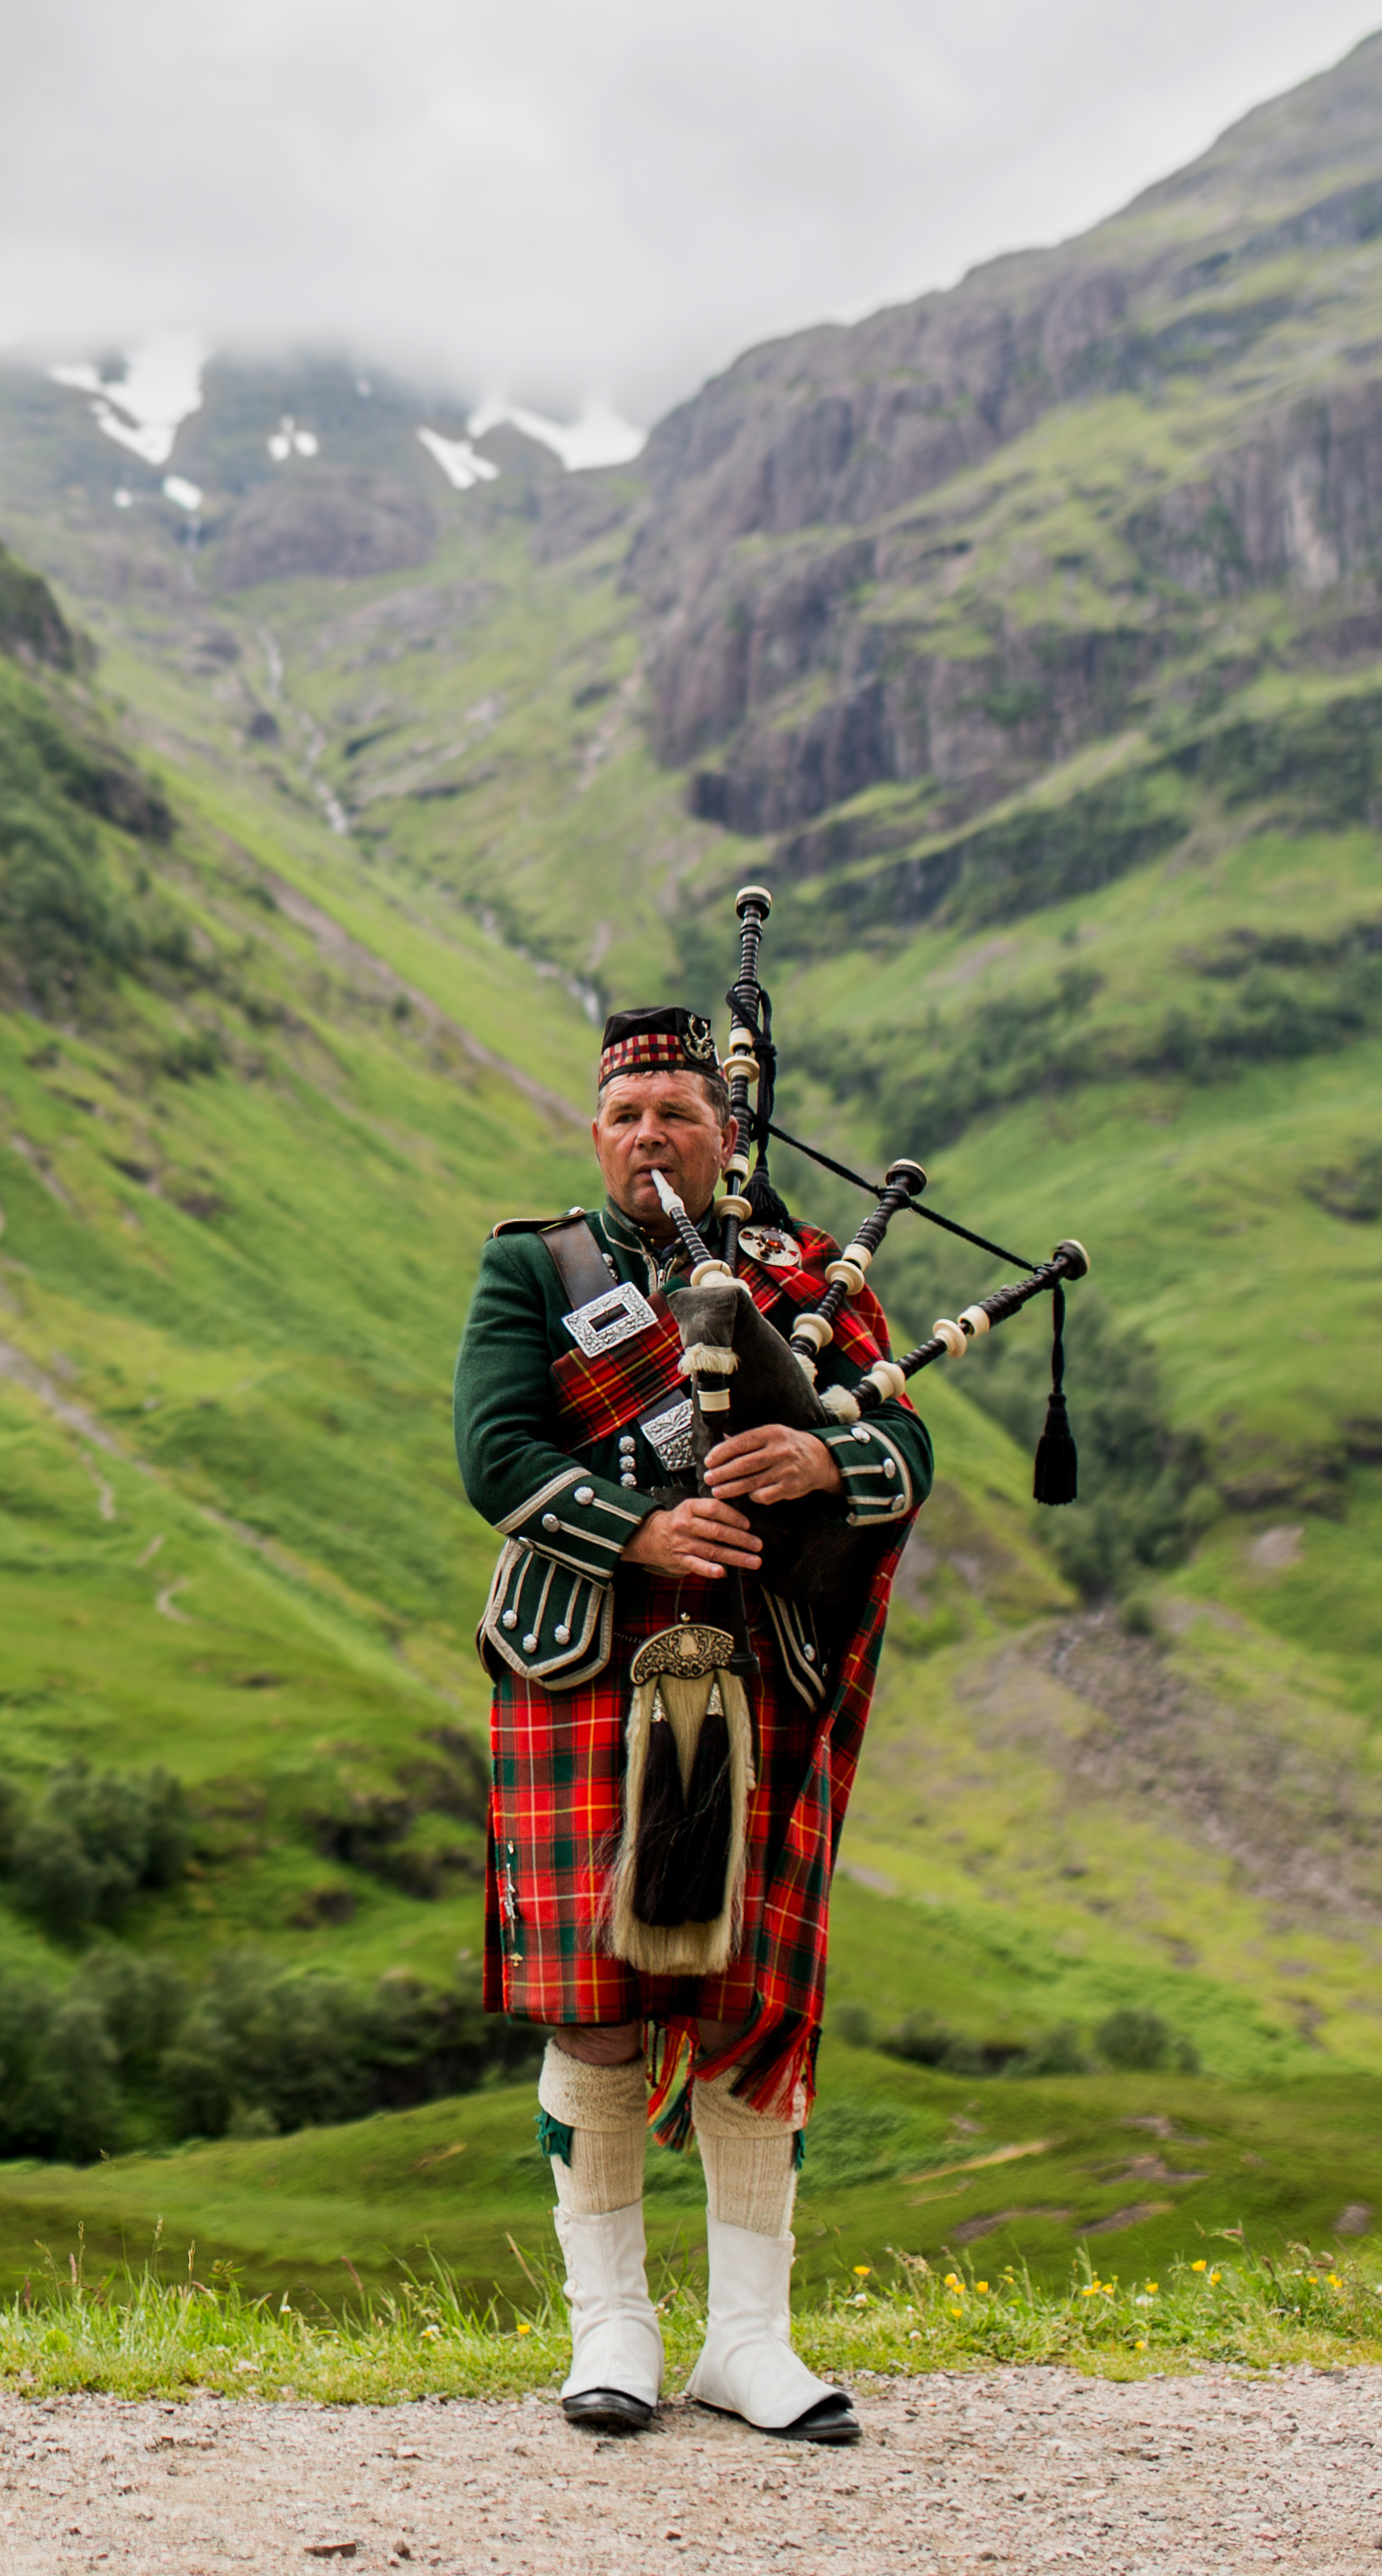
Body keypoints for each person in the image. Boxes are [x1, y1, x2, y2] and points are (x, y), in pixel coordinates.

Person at [452, 1005, 931, 2444]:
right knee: (595, 1999)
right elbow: (496, 1449)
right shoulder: (535, 1267)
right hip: (591, 1649)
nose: (649, 1137)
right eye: (624, 1118)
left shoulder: (799, 1276)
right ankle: (612, 2330)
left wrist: (820, 1452)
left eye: (675, 1112)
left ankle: (747, 2341)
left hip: (758, 1658)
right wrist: (646, 1531)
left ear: (725, 1134)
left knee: (745, 2000)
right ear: (594, 1137)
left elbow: (902, 1445)